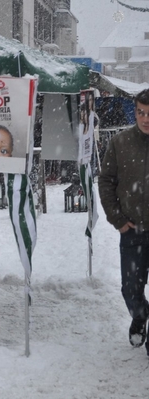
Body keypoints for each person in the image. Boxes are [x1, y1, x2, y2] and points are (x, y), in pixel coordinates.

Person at [98, 88, 149, 354]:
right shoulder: (120, 143)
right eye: (141, 112)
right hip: (132, 230)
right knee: (130, 288)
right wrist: (117, 219)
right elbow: (106, 181)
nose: (145, 118)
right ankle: (140, 316)